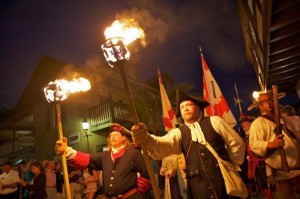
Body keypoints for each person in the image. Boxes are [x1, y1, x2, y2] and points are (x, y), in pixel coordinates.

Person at [131, 89, 246, 199]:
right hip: (197, 187)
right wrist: (146, 138)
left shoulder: (215, 121)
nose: (185, 109)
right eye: (182, 107)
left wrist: (230, 164)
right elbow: (162, 145)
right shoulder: (179, 132)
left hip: (224, 182)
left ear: (198, 108)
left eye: (189, 105)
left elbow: (236, 144)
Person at [55, 123, 151, 198]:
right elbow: (87, 159)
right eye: (111, 135)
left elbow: (147, 174)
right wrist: (67, 150)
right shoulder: (105, 155)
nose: (112, 137)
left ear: (123, 138)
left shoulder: (133, 153)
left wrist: (137, 192)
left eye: (116, 135)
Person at [249, 91, 300, 198]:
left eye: (271, 100)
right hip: (281, 174)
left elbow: (295, 135)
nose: (269, 103)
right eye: (264, 102)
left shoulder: (284, 118)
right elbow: (253, 144)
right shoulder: (258, 123)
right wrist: (271, 144)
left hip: (297, 170)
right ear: (260, 106)